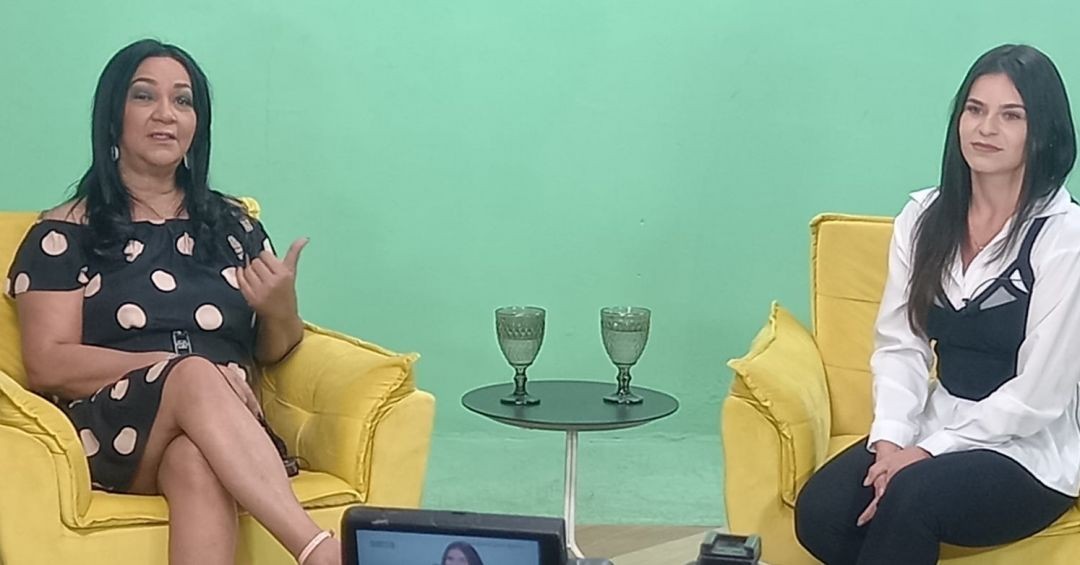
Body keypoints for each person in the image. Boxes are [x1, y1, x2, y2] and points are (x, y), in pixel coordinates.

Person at [5, 39, 339, 565]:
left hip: (228, 430)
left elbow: (272, 350)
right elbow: (47, 362)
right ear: (113, 116)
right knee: (194, 373)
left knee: (194, 461)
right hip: (112, 429)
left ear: (197, 124)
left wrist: (281, 309)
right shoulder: (64, 233)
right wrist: (178, 370)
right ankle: (318, 549)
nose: (166, 114)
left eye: (183, 101)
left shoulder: (234, 228)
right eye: (144, 96)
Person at [794, 44, 1080, 564]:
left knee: (912, 499)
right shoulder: (924, 217)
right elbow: (900, 345)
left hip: (1032, 450)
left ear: (1044, 132)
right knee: (823, 511)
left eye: (1011, 115)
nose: (986, 128)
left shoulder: (1065, 237)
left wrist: (927, 452)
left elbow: (1039, 397)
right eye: (975, 109)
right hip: (938, 420)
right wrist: (890, 442)